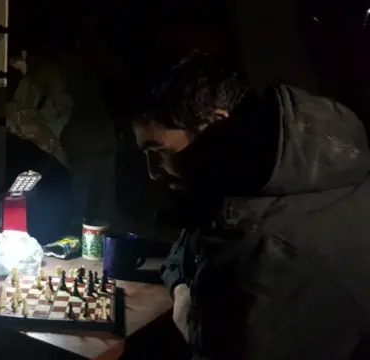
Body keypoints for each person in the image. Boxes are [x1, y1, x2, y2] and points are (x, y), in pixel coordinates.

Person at [133, 52, 370, 359]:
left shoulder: (259, 249)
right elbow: (192, 235)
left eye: (159, 151)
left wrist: (190, 317)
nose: (152, 171)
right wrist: (181, 286)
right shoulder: (310, 170)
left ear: (215, 125)